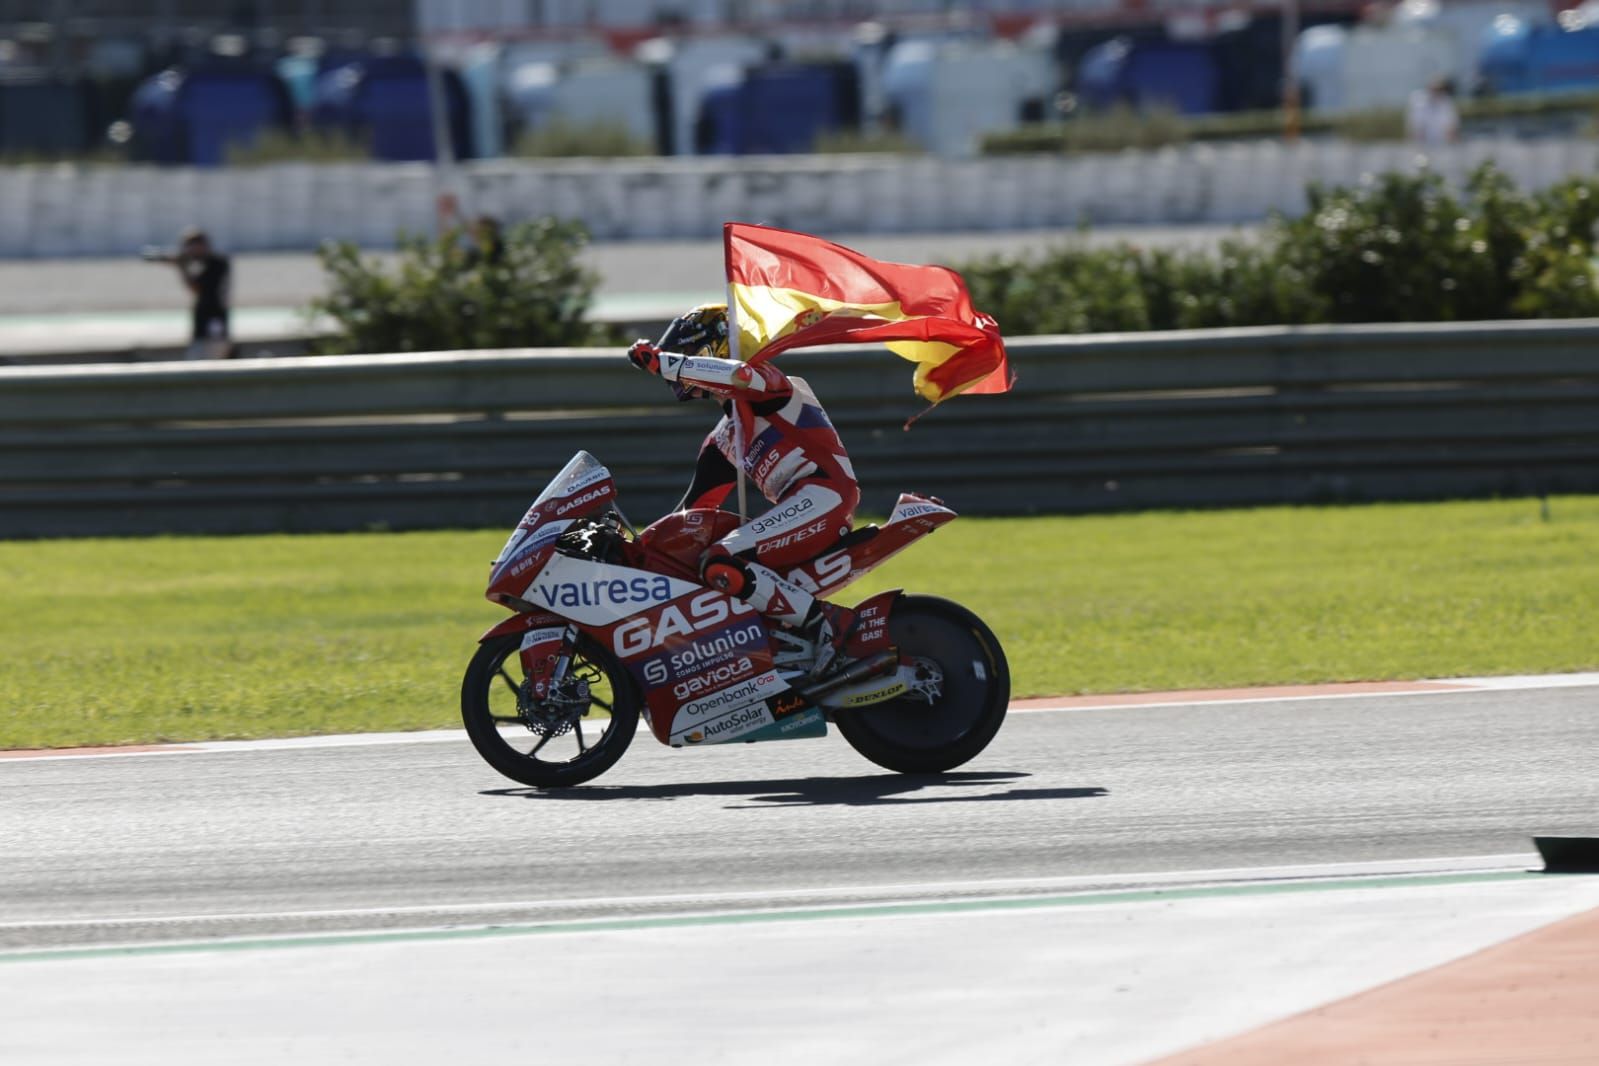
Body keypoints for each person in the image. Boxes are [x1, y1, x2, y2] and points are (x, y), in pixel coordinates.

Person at [627, 304, 859, 675]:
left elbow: (738, 375)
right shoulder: (724, 437)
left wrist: (666, 363)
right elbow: (693, 510)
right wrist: (639, 555)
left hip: (824, 495)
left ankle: (831, 631)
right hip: (800, 503)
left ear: (714, 349)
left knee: (724, 559)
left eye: (687, 352)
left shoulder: (768, 379)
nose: (679, 362)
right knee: (708, 565)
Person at [145, 227, 231, 359]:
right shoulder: (210, 263)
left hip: (212, 329)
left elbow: (197, 288)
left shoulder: (217, 264)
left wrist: (182, 267)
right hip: (207, 328)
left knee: (198, 366)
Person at [1406, 77, 1459, 147]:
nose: (1437, 92)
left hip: (1443, 146)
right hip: (1423, 145)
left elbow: (1451, 129)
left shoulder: (1447, 102)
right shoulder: (1418, 102)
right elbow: (1417, 129)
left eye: (1439, 89)